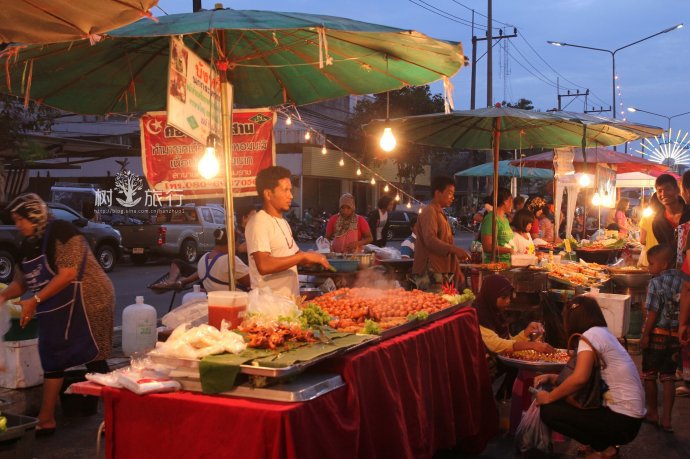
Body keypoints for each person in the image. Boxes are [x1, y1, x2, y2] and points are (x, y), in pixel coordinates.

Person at [0, 193, 114, 435]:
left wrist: (35, 300)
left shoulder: (62, 231)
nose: (18, 224)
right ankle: (47, 418)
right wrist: (2, 296)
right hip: (57, 302)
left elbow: (69, 273)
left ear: (35, 215)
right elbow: (22, 283)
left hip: (91, 299)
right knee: (53, 355)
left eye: (21, 219)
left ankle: (116, 416)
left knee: (94, 355)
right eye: (15, 219)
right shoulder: (27, 243)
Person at [535, 296, 645, 459]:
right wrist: (553, 378)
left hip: (621, 420)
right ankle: (604, 447)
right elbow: (584, 375)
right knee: (562, 399)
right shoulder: (603, 333)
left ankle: (603, 449)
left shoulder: (590, 336)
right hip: (630, 418)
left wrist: (549, 397)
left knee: (550, 411)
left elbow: (580, 378)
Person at [245, 166, 329, 298]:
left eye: (290, 190)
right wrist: (303, 257)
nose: (291, 196)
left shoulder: (283, 222)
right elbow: (264, 265)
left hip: (288, 304)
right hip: (269, 306)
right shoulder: (259, 222)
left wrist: (313, 257)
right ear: (268, 194)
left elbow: (294, 255)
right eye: (285, 190)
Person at [641, 244, 681, 431]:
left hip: (656, 334)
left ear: (663, 265)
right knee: (669, 377)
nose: (649, 268)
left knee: (649, 374)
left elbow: (653, 313)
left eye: (651, 264)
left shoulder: (655, 283)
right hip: (674, 337)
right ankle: (667, 420)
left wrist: (645, 334)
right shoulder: (684, 280)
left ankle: (652, 413)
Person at [411, 176, 470, 291]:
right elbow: (430, 240)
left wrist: (456, 268)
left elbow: (446, 243)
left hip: (441, 269)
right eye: (449, 193)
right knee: (434, 306)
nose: (453, 197)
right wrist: (455, 250)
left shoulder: (440, 213)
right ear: (438, 193)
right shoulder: (429, 211)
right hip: (430, 270)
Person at [475, 274, 554, 354]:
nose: (508, 301)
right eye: (504, 297)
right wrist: (532, 345)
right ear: (491, 296)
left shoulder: (496, 314)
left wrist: (526, 332)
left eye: (509, 297)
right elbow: (497, 345)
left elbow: (508, 342)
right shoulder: (479, 318)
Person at [152, 228, 251, 291]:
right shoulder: (231, 260)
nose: (237, 246)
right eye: (237, 243)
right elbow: (252, 282)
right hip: (236, 303)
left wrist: (183, 281)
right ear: (232, 243)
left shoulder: (204, 258)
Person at [652, 174, 690, 249]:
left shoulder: (688, 212)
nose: (663, 194)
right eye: (659, 191)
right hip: (672, 260)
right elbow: (663, 248)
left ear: (677, 190)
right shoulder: (657, 222)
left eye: (668, 189)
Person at [480, 188, 514, 263]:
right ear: (505, 201)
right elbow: (487, 247)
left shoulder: (505, 219)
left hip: (508, 264)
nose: (512, 203)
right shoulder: (490, 218)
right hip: (495, 264)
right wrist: (510, 250)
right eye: (511, 200)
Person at [638, 193, 662, 267]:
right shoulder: (667, 217)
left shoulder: (646, 218)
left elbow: (642, 240)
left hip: (649, 257)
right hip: (664, 258)